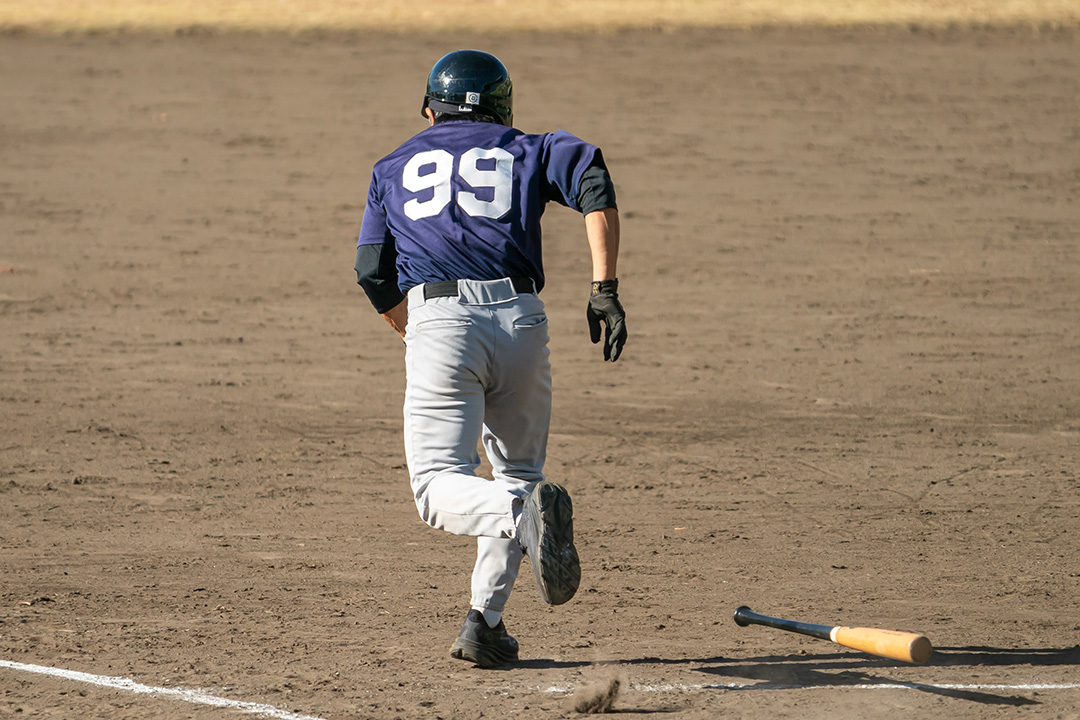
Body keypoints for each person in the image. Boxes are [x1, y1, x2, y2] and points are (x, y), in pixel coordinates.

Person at [354, 49, 626, 667]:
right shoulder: (528, 147)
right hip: (523, 321)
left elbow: (372, 270)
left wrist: (412, 329)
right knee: (521, 474)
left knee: (436, 488)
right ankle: (485, 624)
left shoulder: (391, 166)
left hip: (441, 319)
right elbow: (593, 179)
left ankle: (520, 517)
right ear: (503, 107)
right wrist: (603, 289)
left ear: (429, 109)